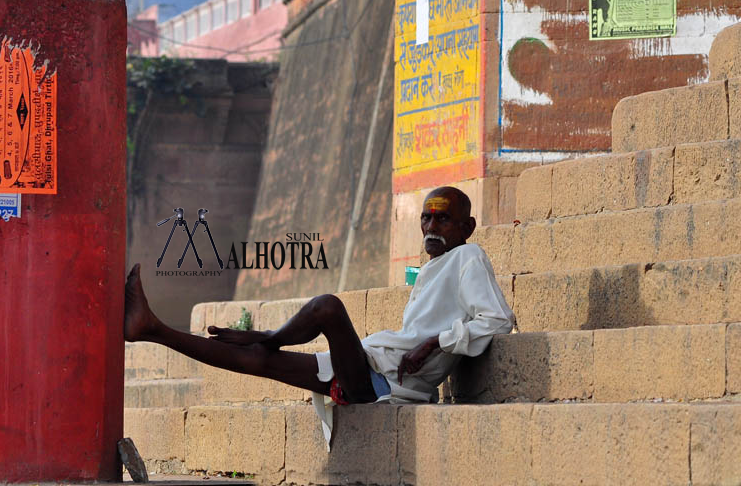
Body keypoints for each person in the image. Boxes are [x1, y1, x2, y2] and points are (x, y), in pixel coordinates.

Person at [123, 186, 515, 447]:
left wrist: (435, 343)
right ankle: (152, 329)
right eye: (426, 219)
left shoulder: (469, 256)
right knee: (260, 362)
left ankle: (266, 337)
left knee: (327, 307)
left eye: (442, 219)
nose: (431, 227)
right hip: (371, 368)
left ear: (467, 227)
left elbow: (497, 320)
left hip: (389, 386)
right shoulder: (434, 267)